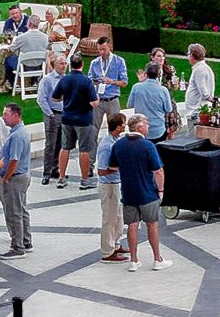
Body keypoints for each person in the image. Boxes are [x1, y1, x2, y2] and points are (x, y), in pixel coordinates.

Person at [107, 112, 171, 271]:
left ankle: (134, 261)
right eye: (146, 124)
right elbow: (158, 171)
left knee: (132, 226)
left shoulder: (118, 145)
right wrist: (161, 190)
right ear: (140, 127)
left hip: (129, 193)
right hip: (148, 193)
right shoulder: (148, 146)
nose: (148, 126)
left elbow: (112, 166)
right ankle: (157, 259)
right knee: (152, 226)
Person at [0, 104, 33, 257]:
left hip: (15, 178)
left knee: (14, 212)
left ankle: (17, 247)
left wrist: (6, 177)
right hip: (21, 176)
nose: (3, 117)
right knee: (22, 209)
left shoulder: (17, 135)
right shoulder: (18, 132)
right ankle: (25, 240)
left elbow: (14, 160)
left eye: (6, 114)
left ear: (16, 115)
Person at [94, 111, 128, 262]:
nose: (125, 125)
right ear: (119, 127)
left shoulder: (115, 140)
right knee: (109, 218)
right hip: (108, 186)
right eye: (123, 123)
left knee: (118, 217)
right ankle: (107, 252)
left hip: (116, 184)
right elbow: (101, 170)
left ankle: (116, 243)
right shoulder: (106, 146)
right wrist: (116, 168)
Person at [58, 67, 99, 188]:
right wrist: (97, 99)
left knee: (65, 148)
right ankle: (85, 180)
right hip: (83, 120)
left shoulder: (64, 80)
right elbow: (94, 102)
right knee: (84, 150)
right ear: (81, 65)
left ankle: (61, 178)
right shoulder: (86, 81)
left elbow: (55, 97)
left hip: (67, 118)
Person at [37, 56, 71, 186]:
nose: (64, 66)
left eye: (65, 63)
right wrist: (50, 114)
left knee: (61, 143)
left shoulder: (67, 79)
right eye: (61, 63)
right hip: (52, 114)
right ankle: (47, 172)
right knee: (50, 144)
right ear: (54, 65)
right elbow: (41, 99)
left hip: (65, 114)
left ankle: (56, 168)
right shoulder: (47, 80)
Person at [127, 61, 175, 141]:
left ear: (146, 73)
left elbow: (129, 105)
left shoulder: (136, 87)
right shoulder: (163, 90)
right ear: (159, 74)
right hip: (158, 129)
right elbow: (168, 109)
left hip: (140, 129)